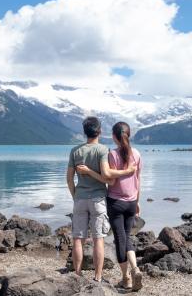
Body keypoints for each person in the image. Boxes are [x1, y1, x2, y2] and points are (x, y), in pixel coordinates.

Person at [66, 117, 135, 283]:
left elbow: (69, 179)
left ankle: (77, 274)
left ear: (84, 132)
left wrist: (75, 196)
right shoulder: (103, 150)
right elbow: (107, 177)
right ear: (100, 131)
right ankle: (97, 277)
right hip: (98, 199)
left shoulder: (75, 151)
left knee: (78, 238)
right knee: (98, 239)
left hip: (80, 198)